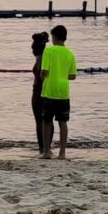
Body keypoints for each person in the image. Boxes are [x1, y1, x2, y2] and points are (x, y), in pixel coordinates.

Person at [40, 25, 76, 160]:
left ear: (54, 37)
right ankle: (62, 153)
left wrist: (42, 77)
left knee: (47, 121)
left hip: (49, 90)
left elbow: (44, 72)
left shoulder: (48, 51)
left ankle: (47, 151)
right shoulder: (70, 53)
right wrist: (61, 74)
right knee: (63, 122)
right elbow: (73, 76)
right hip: (63, 91)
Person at [31, 32, 52, 155]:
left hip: (38, 91)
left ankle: (42, 148)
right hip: (47, 92)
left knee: (40, 121)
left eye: (32, 47)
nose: (31, 49)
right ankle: (47, 147)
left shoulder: (40, 58)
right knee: (48, 121)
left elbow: (40, 76)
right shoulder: (47, 56)